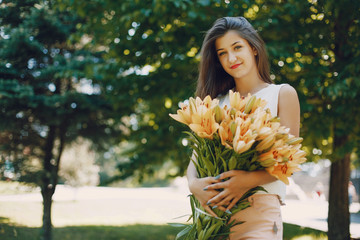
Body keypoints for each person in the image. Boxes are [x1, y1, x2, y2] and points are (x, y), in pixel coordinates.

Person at [186, 17, 300, 240]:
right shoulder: (216, 103)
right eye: (222, 53)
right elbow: (195, 159)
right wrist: (193, 185)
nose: (231, 58)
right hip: (213, 215)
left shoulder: (282, 94)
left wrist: (247, 181)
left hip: (260, 214)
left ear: (254, 48)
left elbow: (288, 163)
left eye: (237, 47)